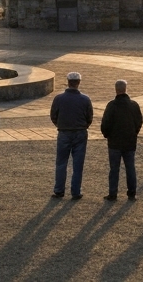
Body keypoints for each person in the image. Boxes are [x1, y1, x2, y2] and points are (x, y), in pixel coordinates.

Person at [50, 71, 93, 199]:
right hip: (80, 132)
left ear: (68, 82)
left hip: (64, 132)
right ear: (78, 83)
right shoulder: (85, 99)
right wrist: (84, 126)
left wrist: (60, 125)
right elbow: (89, 117)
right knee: (78, 163)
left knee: (61, 163)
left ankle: (59, 190)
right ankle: (76, 191)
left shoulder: (58, 98)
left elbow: (53, 115)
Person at [100, 79, 143, 201]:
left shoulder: (111, 105)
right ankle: (132, 193)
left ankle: (113, 193)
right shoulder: (134, 105)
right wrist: (134, 133)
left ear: (116, 89)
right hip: (130, 141)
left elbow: (105, 123)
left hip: (114, 142)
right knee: (130, 168)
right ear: (125, 89)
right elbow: (139, 121)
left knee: (114, 169)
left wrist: (106, 134)